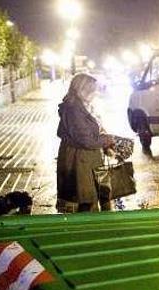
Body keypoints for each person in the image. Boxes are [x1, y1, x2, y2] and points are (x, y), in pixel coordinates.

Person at [56, 73, 114, 212]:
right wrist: (107, 140)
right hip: (79, 160)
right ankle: (87, 229)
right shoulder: (73, 109)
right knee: (84, 199)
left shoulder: (84, 105)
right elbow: (86, 139)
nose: (95, 93)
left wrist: (104, 138)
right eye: (92, 89)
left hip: (87, 159)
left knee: (90, 195)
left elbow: (93, 130)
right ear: (82, 89)